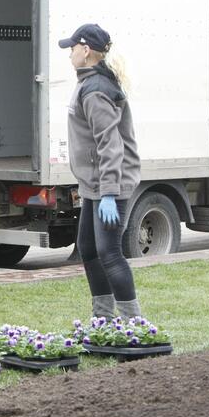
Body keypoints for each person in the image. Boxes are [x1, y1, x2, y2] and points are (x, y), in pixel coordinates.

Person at [59, 24, 142, 320]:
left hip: (110, 184)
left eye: (72, 48)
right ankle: (104, 319)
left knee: (109, 253)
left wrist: (108, 192)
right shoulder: (88, 82)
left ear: (86, 51)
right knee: (88, 248)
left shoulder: (96, 90)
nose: (69, 54)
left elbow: (110, 144)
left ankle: (135, 325)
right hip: (94, 184)